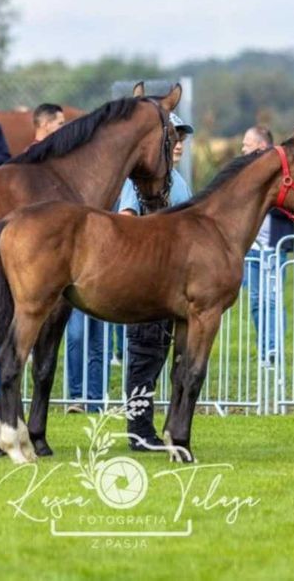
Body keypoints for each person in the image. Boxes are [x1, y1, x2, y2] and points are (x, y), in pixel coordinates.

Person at [118, 112, 194, 450]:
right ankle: (138, 431)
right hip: (145, 280)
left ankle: (147, 428)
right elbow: (126, 222)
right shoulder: (137, 181)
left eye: (182, 138)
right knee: (143, 355)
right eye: (173, 137)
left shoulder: (180, 182)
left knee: (158, 355)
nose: (178, 144)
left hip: (171, 284)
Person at [240, 125, 294, 368]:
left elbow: (293, 206)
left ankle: (274, 349)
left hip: (274, 246)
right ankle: (263, 350)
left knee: (271, 299)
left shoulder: (283, 174)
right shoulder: (243, 173)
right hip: (250, 248)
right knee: (255, 300)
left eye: (246, 144)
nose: (242, 148)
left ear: (262, 147)